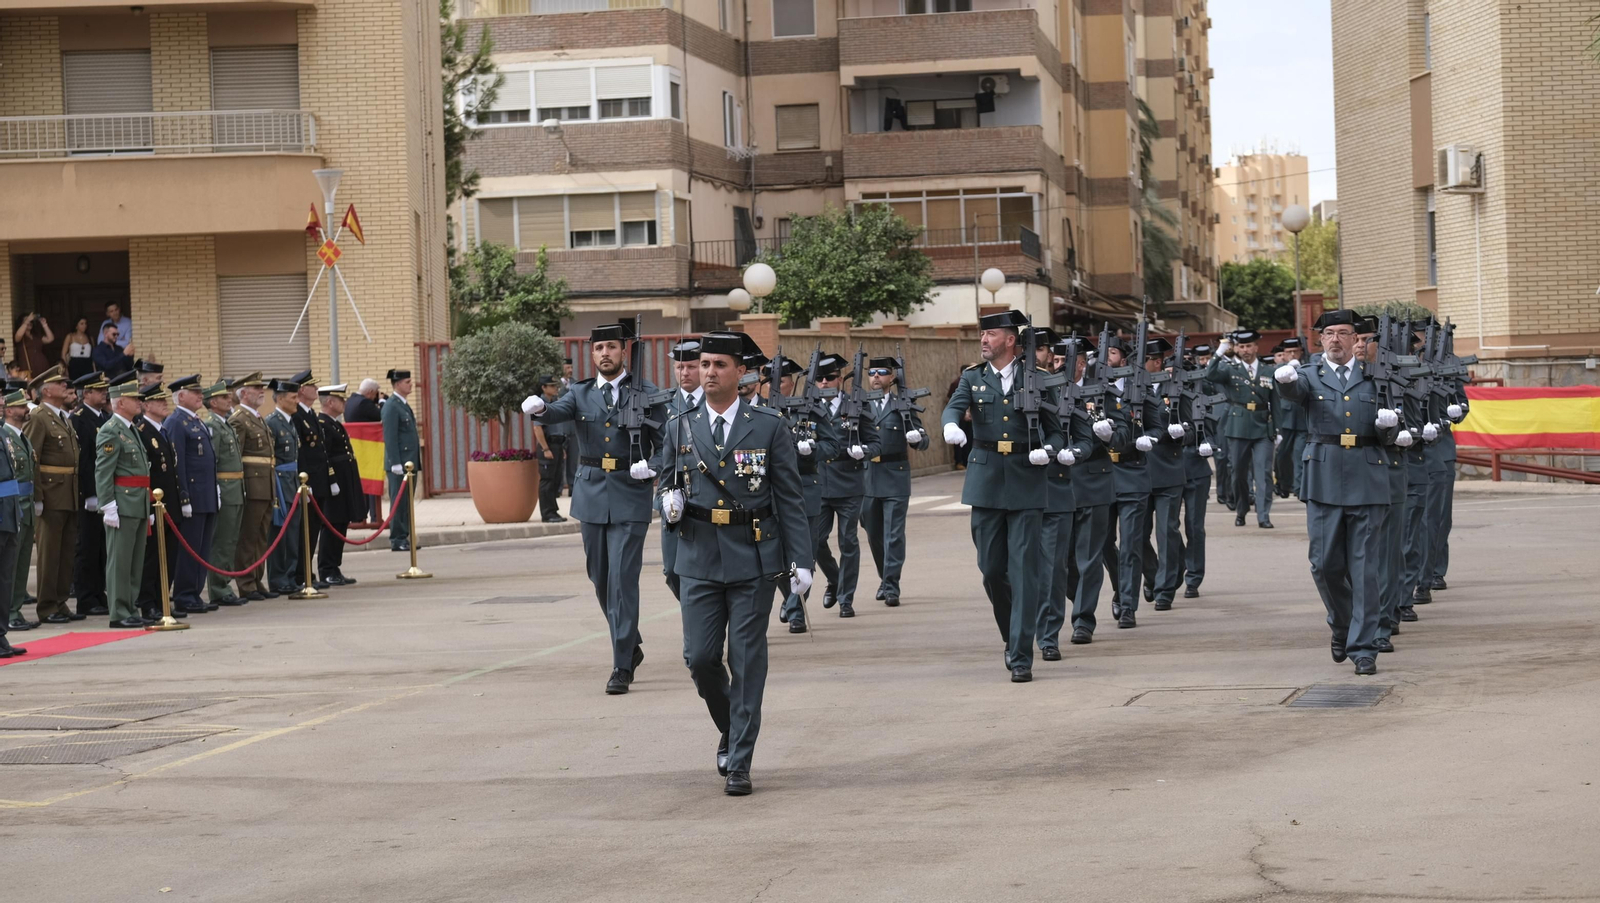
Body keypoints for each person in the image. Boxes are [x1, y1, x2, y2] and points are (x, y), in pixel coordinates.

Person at [655, 331, 812, 796]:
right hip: (698, 555)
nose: (707, 372)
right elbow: (666, 485)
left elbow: (789, 497)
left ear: (739, 371)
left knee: (746, 660)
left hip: (753, 557)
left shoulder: (767, 426)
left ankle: (740, 759)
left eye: (718, 365)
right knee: (701, 659)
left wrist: (801, 560)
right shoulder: (679, 424)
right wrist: (667, 503)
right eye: (703, 364)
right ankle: (730, 726)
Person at [521, 321, 667, 696]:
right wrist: (538, 407)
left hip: (630, 493)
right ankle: (630, 642)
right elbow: (554, 412)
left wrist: (653, 465)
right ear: (593, 354)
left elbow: (668, 444)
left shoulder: (647, 393)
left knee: (622, 579)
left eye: (612, 348)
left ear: (623, 351)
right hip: (591, 495)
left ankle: (621, 665)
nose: (605, 354)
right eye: (599, 348)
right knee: (600, 578)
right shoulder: (582, 393)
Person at [1274, 309, 1401, 676]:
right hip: (1325, 477)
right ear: (1321, 340)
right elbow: (1293, 393)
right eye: (1329, 333)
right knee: (1324, 564)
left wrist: (1390, 429)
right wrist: (1283, 381)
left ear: (1355, 340)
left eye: (1344, 333)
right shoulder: (1308, 376)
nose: (1335, 340)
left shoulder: (1375, 377)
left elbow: (1390, 431)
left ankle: (1363, 647)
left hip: (1368, 476)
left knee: (1364, 569)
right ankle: (1343, 624)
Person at [940, 309, 1064, 682]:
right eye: (982, 334)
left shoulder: (1039, 380)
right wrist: (950, 425)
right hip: (986, 479)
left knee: (1025, 573)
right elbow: (954, 406)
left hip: (1027, 480)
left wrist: (1051, 449)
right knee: (992, 570)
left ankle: (1022, 653)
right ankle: (1012, 638)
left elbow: (1058, 430)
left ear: (1011, 340)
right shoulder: (973, 378)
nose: (983, 340)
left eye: (991, 334)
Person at [1060, 341, 1127, 646]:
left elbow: (1125, 433)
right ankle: (1079, 599)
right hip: (1057, 484)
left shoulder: (1102, 391)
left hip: (1093, 482)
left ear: (1082, 363)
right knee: (1062, 561)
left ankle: (1083, 620)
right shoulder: (1047, 388)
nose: (1060, 363)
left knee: (1089, 558)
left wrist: (1111, 434)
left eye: (1067, 358)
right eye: (1057, 357)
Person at [1035, 337, 1097, 659]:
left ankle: (1048, 636)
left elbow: (1085, 439)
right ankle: (1019, 627)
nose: (1054, 363)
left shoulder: (1066, 394)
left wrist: (1074, 452)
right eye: (1052, 357)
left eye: (1060, 358)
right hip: (1016, 490)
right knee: (1004, 569)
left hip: (1057, 488)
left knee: (1054, 569)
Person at [811, 352, 879, 619]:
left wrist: (864, 450)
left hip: (849, 483)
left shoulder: (856, 406)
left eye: (829, 378)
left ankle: (845, 598)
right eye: (819, 379)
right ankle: (834, 577)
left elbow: (876, 442)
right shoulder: (808, 407)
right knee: (815, 541)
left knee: (848, 541)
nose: (824, 383)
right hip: (819, 483)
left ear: (839, 379)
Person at [862, 355, 928, 608]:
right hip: (867, 476)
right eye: (872, 372)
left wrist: (915, 438)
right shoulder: (860, 405)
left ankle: (891, 586)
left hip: (895, 474)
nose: (876, 377)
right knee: (874, 535)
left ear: (892, 377)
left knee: (893, 535)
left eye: (882, 372)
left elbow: (923, 440)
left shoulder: (904, 404)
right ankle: (884, 577)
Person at [24, 365, 81, 625]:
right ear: (46, 390)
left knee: (66, 552)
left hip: (68, 492)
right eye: (60, 384)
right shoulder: (38, 417)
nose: (66, 387)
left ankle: (60, 602)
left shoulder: (63, 416)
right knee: (49, 554)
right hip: (50, 493)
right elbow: (31, 458)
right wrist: (37, 496)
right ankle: (46, 606)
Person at [1204, 329, 1277, 528]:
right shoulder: (1230, 370)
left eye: (1248, 346)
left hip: (1263, 427)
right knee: (1238, 473)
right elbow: (1209, 375)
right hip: (1238, 427)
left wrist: (1276, 429)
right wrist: (1218, 353)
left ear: (1256, 347)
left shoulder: (1268, 371)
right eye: (1241, 346)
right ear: (1236, 348)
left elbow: (1275, 402)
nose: (1245, 350)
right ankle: (1242, 509)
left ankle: (1263, 515)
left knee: (1263, 473)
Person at [96, 377, 151, 628]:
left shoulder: (130, 429)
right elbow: (104, 471)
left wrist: (148, 505)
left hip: (138, 502)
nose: (139, 402)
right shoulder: (110, 430)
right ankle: (118, 612)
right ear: (120, 402)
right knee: (120, 560)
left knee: (134, 560)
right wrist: (108, 505)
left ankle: (129, 606)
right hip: (122, 503)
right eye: (134, 398)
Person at [163, 375, 219, 615]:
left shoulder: (196, 421)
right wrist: (183, 496)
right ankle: (185, 595)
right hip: (192, 497)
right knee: (190, 548)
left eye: (200, 392)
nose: (200, 396)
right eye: (195, 392)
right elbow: (178, 464)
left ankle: (195, 592)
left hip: (205, 494)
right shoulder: (176, 422)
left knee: (202, 548)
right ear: (181, 396)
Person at [1140, 340, 1187, 612]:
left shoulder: (1177, 389)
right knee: (1138, 534)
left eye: (1144, 359)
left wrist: (1183, 432)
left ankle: (1165, 588)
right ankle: (1154, 572)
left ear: (1157, 362)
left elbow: (1195, 427)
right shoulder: (1131, 388)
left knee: (1167, 530)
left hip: (1168, 469)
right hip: (1139, 470)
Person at [134, 382, 185, 621]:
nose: (164, 403)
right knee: (153, 556)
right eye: (158, 401)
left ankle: (163, 598)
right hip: (154, 504)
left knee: (170, 554)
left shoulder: (162, 430)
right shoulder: (143, 431)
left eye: (164, 400)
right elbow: (146, 472)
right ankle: (148, 602)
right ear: (145, 405)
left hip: (169, 504)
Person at [656, 340, 702, 597]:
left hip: (708, 498)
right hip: (673, 499)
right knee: (672, 570)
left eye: (691, 366)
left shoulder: (716, 402)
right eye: (679, 367)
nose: (684, 373)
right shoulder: (663, 405)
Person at [201, 378, 248, 607]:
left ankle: (224, 583)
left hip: (235, 488)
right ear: (212, 402)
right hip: (225, 487)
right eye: (223, 397)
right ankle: (219, 588)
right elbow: (214, 461)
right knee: (221, 541)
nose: (229, 399)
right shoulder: (212, 425)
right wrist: (216, 489)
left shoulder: (226, 423)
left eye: (228, 396)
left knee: (230, 539)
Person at [229, 373, 276, 600]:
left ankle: (257, 580)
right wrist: (241, 487)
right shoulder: (239, 419)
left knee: (260, 536)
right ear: (243, 394)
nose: (261, 391)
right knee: (248, 537)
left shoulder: (257, 417)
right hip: (251, 484)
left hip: (264, 484)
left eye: (261, 387)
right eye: (256, 388)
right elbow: (236, 456)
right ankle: (246, 583)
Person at [71, 371, 112, 618]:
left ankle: (99, 593)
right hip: (90, 493)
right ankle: (85, 597)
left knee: (101, 547)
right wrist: (89, 493)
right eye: (99, 390)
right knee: (87, 546)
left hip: (104, 491)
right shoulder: (79, 419)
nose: (104, 393)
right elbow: (84, 460)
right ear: (86, 394)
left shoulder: (104, 417)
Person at [289, 371, 332, 591]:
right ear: (301, 390)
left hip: (319, 479)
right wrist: (304, 484)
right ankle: (301, 573)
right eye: (311, 386)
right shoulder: (297, 416)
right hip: (308, 482)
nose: (316, 389)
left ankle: (308, 570)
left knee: (314, 529)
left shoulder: (311, 414)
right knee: (305, 530)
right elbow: (301, 454)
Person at [317, 384, 362, 586]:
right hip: (334, 481)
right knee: (332, 524)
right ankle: (326, 569)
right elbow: (325, 458)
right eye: (341, 400)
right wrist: (331, 480)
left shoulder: (335, 423)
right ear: (330, 402)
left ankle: (335, 567)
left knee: (341, 523)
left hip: (344, 480)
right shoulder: (322, 424)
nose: (344, 403)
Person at [1181, 347, 1216, 599]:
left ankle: (1193, 577)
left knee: (1194, 526)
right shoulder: (1152, 395)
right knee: (1166, 529)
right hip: (1162, 472)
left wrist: (1207, 443)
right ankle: (1168, 572)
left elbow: (1212, 429)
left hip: (1194, 467)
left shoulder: (1199, 394)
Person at [265, 377, 303, 594]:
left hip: (293, 482)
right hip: (280, 484)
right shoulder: (272, 422)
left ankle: (289, 575)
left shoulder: (289, 422)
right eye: (293, 397)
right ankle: (278, 578)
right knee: (279, 534)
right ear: (280, 399)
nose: (297, 401)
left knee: (292, 533)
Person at [4, 390, 38, 631]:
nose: (26, 410)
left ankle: (16, 608)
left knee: (23, 561)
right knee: (11, 564)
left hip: (27, 502)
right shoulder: (5, 436)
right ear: (9, 411)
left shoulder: (23, 436)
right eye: (20, 407)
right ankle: (10, 612)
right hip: (13, 504)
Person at [382, 368, 419, 552]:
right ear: (397, 384)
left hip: (409, 463)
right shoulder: (391, 406)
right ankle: (397, 538)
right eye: (407, 382)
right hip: (399, 464)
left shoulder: (402, 404)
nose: (410, 384)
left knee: (406, 502)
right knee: (399, 501)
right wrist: (395, 462)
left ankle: (405, 535)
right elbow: (390, 436)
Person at [1272, 338, 1309, 499]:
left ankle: (1299, 486)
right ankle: (1283, 483)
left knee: (1300, 454)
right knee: (1282, 454)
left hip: (1302, 418)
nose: (1293, 354)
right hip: (1285, 417)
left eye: (1295, 351)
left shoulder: (1307, 367)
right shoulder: (1278, 369)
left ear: (1301, 351)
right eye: (1289, 352)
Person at [532, 375, 569, 524]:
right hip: (548, 446)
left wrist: (561, 448)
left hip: (557, 445)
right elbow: (538, 428)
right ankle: (547, 513)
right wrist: (545, 448)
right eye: (552, 386)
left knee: (555, 480)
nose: (555, 388)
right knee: (547, 481)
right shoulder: (539, 405)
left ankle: (553, 511)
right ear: (544, 388)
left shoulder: (553, 403)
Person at [345, 378, 383, 524]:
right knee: (372, 482)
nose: (375, 397)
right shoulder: (365, 403)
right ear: (370, 392)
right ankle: (374, 516)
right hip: (369, 447)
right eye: (375, 394)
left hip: (356, 446)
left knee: (361, 484)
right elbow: (380, 415)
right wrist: (382, 402)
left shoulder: (351, 400)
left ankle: (361, 515)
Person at [13, 312, 54, 377]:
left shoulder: (36, 335)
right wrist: (27, 321)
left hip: (42, 366)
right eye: (27, 321)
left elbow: (50, 339)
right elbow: (17, 337)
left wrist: (44, 325)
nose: (29, 323)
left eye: (31, 321)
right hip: (28, 367)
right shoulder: (21, 336)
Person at [62, 317, 95, 381]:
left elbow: (93, 355)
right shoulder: (70, 336)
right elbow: (63, 353)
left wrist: (94, 369)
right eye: (82, 324)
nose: (84, 326)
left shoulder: (90, 338)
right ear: (76, 326)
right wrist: (65, 368)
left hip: (87, 364)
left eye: (85, 324)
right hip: (74, 364)